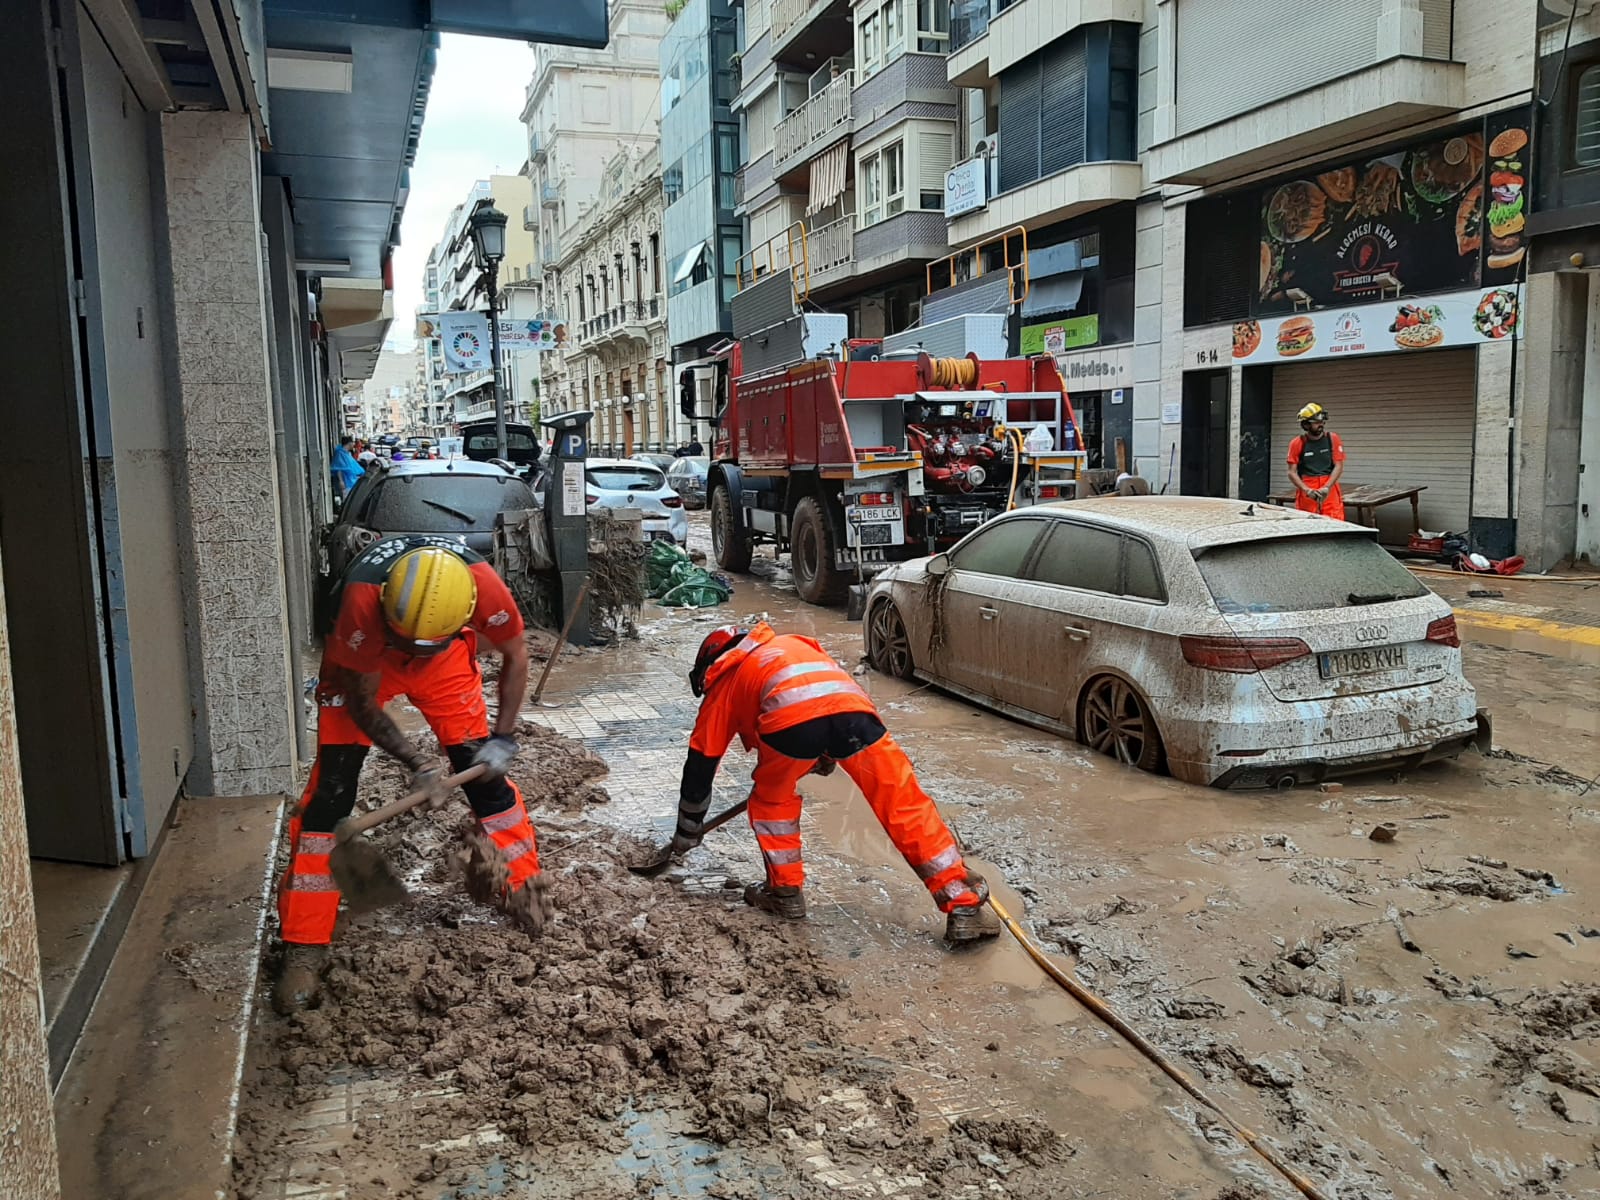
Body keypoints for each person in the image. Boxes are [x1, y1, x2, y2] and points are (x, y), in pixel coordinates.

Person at [274, 537, 542, 1013]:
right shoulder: (360, 603)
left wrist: (502, 737)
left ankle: (524, 891)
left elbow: (516, 654)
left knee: (485, 781)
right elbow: (360, 703)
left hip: (445, 664)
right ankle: (303, 943)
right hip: (366, 665)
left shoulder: (484, 588)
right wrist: (418, 764)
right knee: (330, 798)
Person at [668, 623, 1001, 943]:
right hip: (857, 715)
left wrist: (687, 831)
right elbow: (824, 700)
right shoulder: (795, 644)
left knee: (771, 801)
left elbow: (700, 765)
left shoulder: (725, 682)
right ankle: (964, 907)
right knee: (903, 803)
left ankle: (784, 893)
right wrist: (826, 750)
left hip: (790, 725)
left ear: (710, 666)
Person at [1287, 403, 1346, 521]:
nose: (1321, 425)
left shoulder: (1332, 438)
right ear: (1306, 425)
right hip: (1308, 486)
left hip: (1329, 486)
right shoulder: (1297, 443)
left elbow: (1338, 466)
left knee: (1334, 521)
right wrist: (1306, 490)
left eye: (1322, 422)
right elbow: (1291, 472)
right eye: (1316, 422)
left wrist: (1327, 487)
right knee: (1308, 522)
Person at [330, 435, 363, 501]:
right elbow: (339, 468)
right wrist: (341, 481)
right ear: (349, 443)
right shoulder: (340, 453)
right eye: (352, 442)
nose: (353, 444)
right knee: (348, 499)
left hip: (351, 479)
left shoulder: (346, 453)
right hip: (346, 481)